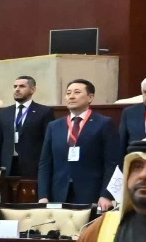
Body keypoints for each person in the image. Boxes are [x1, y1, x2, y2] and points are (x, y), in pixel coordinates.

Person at [37, 77, 118, 206]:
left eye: (77, 92)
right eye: (68, 93)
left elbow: (112, 163)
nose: (71, 97)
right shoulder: (54, 126)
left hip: (92, 193)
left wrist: (106, 194)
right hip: (58, 193)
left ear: (90, 97)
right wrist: (43, 195)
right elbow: (45, 163)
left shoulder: (104, 123)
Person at [0, 74, 53, 178]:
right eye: (15, 86)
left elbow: (48, 141)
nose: (17, 89)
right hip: (7, 165)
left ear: (32, 90)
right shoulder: (4, 113)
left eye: (22, 86)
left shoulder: (44, 112)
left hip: (32, 166)